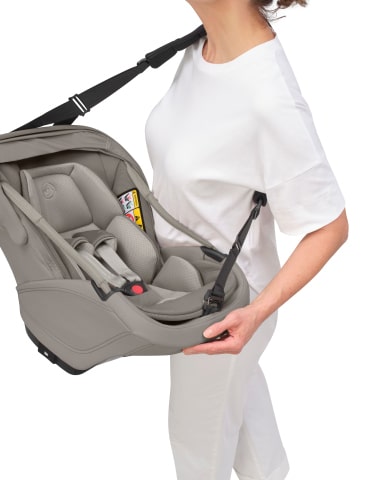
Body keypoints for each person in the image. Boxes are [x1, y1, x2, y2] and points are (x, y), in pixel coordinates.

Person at [145, 0, 349, 479]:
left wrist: (254, 315)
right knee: (246, 426)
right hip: (184, 284)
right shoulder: (204, 45)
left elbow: (331, 226)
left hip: (222, 307)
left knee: (197, 450)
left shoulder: (268, 97)